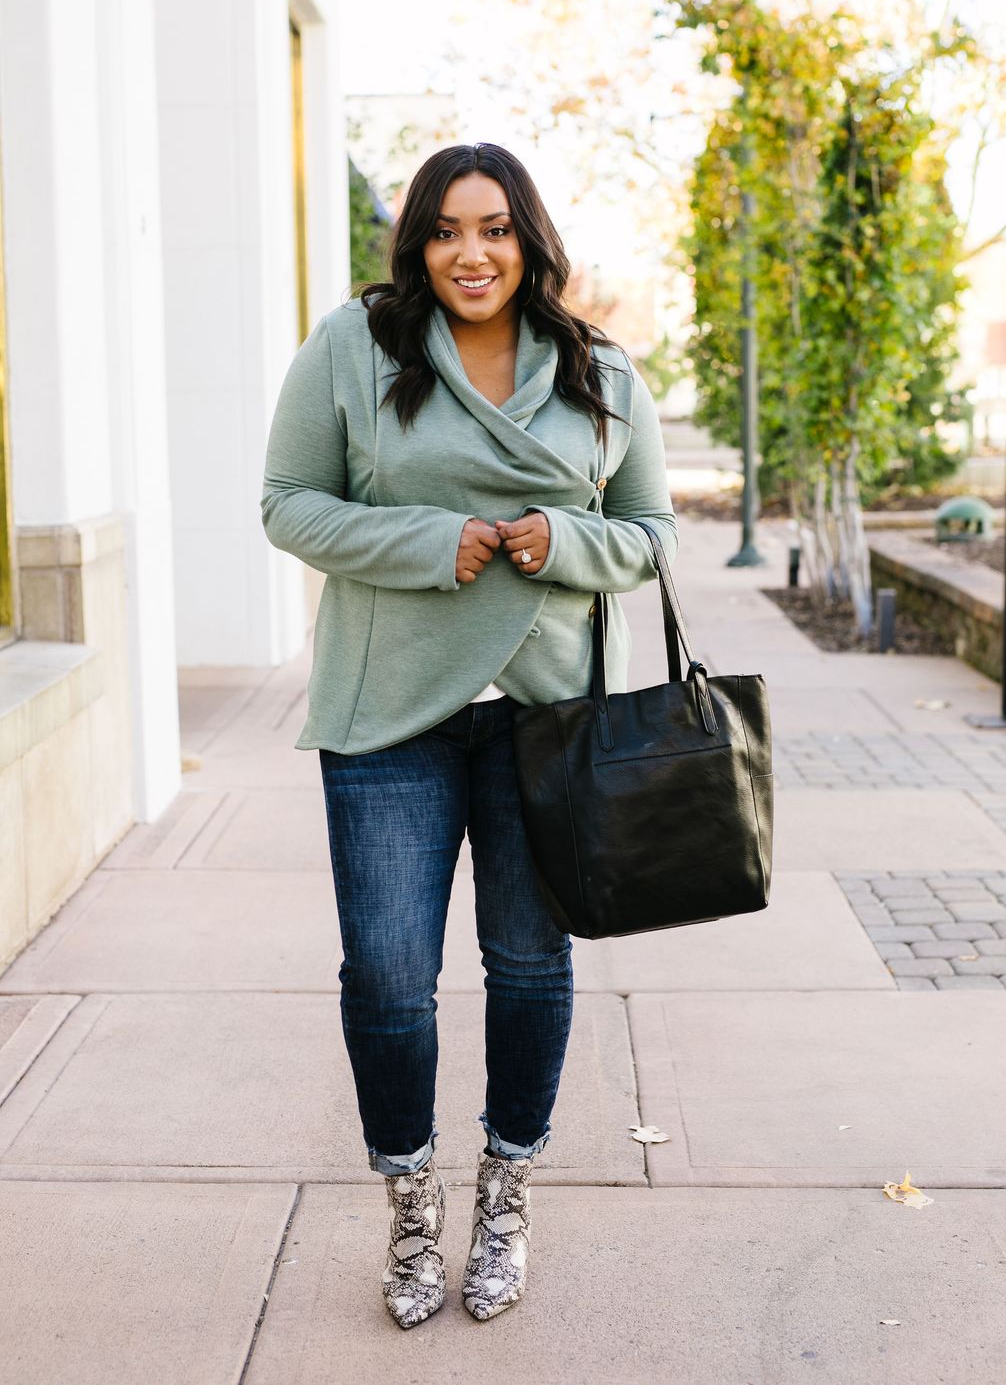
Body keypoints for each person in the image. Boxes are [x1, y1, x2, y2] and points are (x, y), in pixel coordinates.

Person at [260, 142, 677, 1329]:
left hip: (550, 717)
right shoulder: (356, 344)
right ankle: (409, 1202)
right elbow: (288, 501)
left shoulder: (600, 368)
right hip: (392, 712)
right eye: (445, 230)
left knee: (532, 964)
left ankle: (504, 1192)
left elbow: (650, 531)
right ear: (417, 245)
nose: (471, 252)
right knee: (389, 975)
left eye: (493, 228)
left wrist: (566, 538)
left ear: (529, 239)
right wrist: (429, 543)